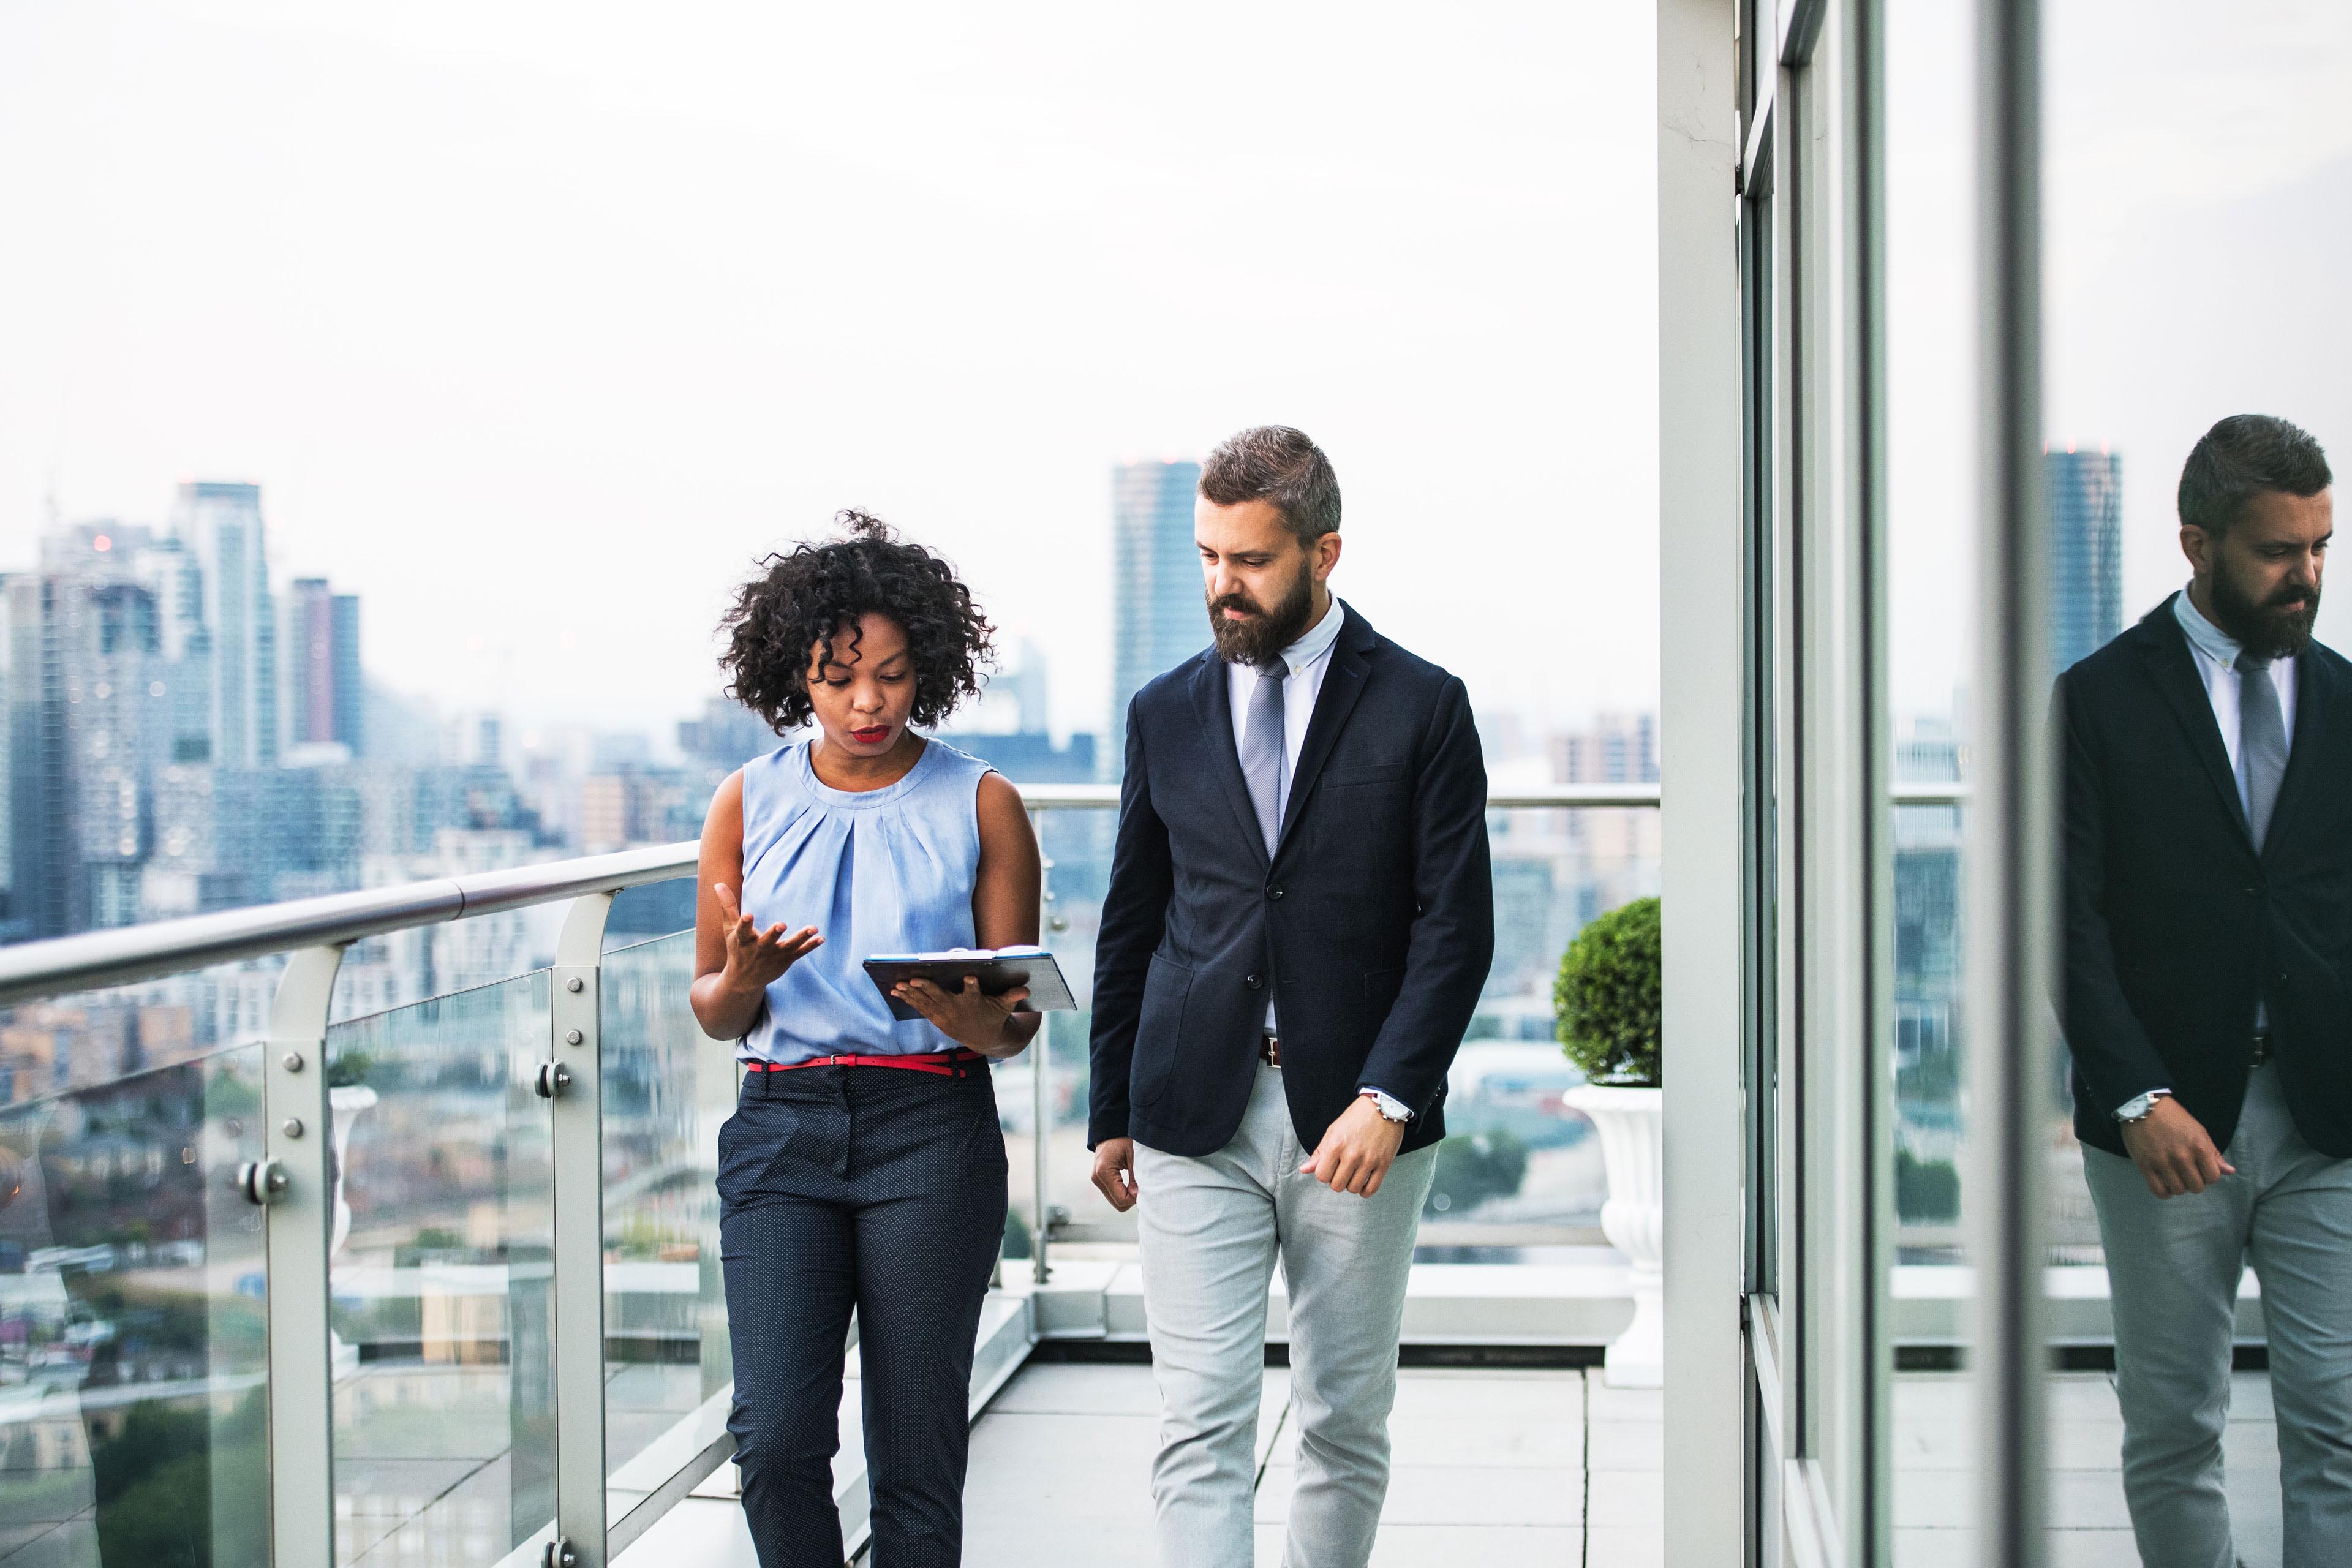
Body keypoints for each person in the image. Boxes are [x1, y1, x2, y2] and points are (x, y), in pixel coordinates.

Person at [1087, 426, 1494, 1568]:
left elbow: (1457, 928)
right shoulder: (1162, 711)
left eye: (1251, 561)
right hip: (1188, 1110)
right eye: (1209, 558)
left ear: (1326, 552)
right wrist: (1108, 1107)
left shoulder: (1424, 705)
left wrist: (1393, 1096)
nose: (1224, 585)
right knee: (1199, 1424)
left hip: (1357, 1119)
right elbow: (1134, 920)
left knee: (1342, 1420)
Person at [690, 512, 1041, 1568]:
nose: (867, 703)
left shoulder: (984, 803)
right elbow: (712, 1009)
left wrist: (976, 1022)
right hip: (783, 1131)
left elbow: (1014, 1020)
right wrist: (741, 981)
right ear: (795, 671)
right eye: (840, 677)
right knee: (777, 1439)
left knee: (916, 1452)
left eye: (891, 675)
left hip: (929, 1130)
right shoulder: (745, 800)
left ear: (926, 670)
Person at [2057, 414, 2351, 1568]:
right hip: (2165, 1126)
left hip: (2329, 1118)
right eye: (2281, 552)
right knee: (2177, 1427)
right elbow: (2061, 920)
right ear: (2198, 544)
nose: (2309, 577)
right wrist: (2137, 1097)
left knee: (2336, 1427)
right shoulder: (2098, 700)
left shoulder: (2343, 698)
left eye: (2323, 547)